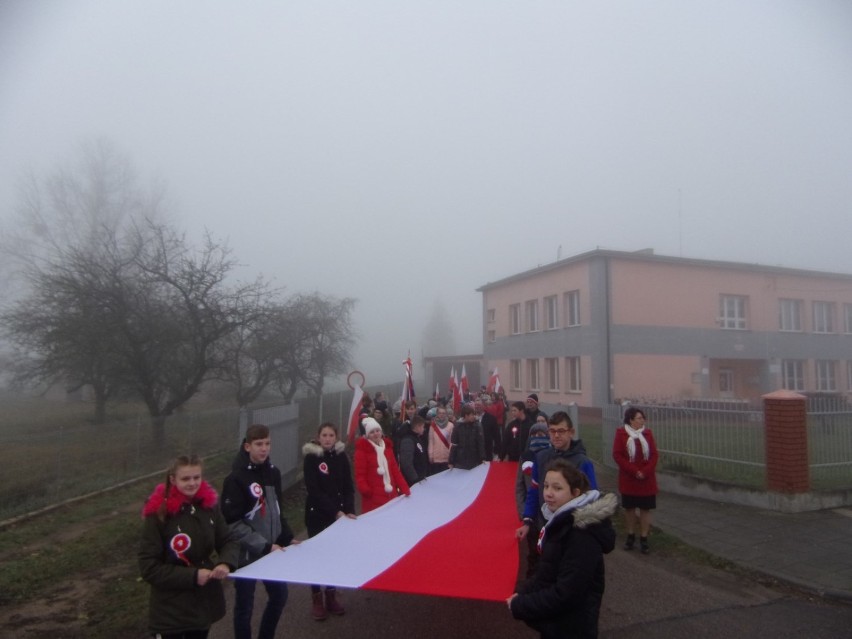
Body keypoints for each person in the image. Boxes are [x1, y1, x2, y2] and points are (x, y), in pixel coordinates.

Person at [508, 459, 617, 638]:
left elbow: (567, 592)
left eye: (557, 488)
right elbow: (548, 572)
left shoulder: (582, 534)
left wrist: (522, 605)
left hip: (573, 627)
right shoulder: (559, 521)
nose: (548, 494)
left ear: (575, 493)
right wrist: (522, 592)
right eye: (546, 486)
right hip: (559, 624)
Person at [139, 455, 239, 639]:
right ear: (172, 479)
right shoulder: (158, 514)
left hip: (202, 606)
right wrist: (192, 576)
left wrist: (225, 563)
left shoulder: (209, 507)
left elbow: (228, 540)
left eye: (197, 477)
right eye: (185, 479)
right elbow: (149, 567)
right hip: (170, 612)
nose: (192, 483)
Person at [221, 424, 298, 639]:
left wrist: (288, 536)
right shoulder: (235, 479)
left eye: (267, 444)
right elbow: (232, 524)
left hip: (271, 551)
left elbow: (277, 510)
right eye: (258, 444)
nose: (264, 449)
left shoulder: (273, 472)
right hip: (247, 554)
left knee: (279, 597)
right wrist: (264, 546)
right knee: (245, 607)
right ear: (247, 446)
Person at [302, 422, 357, 620]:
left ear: (336, 437)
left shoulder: (341, 456)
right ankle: (316, 598)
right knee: (317, 557)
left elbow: (348, 486)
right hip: (317, 515)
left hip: (339, 516)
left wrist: (349, 510)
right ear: (318, 437)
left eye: (331, 435)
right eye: (324, 435)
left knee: (334, 556)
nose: (327, 439)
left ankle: (331, 595)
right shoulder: (311, 458)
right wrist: (335, 511)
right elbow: (314, 490)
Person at [517, 411, 598, 543]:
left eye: (561, 431)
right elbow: (534, 490)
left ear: (571, 432)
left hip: (572, 530)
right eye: (552, 431)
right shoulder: (541, 457)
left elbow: (591, 498)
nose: (556, 435)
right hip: (543, 524)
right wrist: (528, 520)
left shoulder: (583, 462)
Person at [612, 406, 659, 554]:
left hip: (646, 480)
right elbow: (617, 455)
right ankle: (630, 535)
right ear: (631, 420)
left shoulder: (648, 434)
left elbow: (654, 455)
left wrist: (644, 472)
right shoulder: (621, 434)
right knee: (630, 509)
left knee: (645, 509)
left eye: (642, 418)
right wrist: (634, 471)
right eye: (639, 418)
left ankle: (644, 537)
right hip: (629, 479)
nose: (642, 420)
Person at [515, 422, 551, 578]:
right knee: (533, 549)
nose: (537, 437)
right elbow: (520, 486)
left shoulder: (552, 455)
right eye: (534, 435)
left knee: (549, 551)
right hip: (531, 514)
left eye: (541, 434)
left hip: (550, 512)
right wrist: (523, 512)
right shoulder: (525, 457)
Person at [355, 417, 411, 512]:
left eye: (377, 431)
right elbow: (360, 475)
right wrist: (366, 491)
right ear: (368, 435)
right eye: (372, 432)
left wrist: (405, 488)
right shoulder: (362, 452)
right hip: (373, 497)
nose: (376, 434)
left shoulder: (388, 449)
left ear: (381, 432)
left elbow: (395, 471)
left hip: (391, 494)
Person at [449, 404, 486, 470]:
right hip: (461, 460)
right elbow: (454, 444)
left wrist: (482, 458)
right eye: (472, 415)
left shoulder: (477, 426)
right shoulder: (458, 426)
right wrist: (451, 461)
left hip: (474, 460)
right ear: (466, 416)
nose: (473, 416)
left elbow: (481, 443)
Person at [398, 414, 429, 486]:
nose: (424, 429)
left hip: (420, 478)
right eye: (422, 427)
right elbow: (406, 463)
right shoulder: (408, 440)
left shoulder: (416, 438)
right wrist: (415, 479)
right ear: (418, 426)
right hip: (413, 482)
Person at [427, 405, 454, 475]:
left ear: (446, 414)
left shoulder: (451, 425)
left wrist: (451, 457)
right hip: (435, 457)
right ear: (437, 414)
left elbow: (452, 442)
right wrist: (430, 454)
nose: (441, 415)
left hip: (446, 457)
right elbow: (431, 441)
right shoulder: (433, 425)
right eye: (440, 413)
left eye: (443, 413)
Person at [476, 397, 501, 462]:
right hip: (474, 452)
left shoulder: (491, 419)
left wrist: (496, 451)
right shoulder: (471, 418)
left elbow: (497, 436)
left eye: (479, 405)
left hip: (487, 450)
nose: (477, 407)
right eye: (475, 405)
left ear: (484, 406)